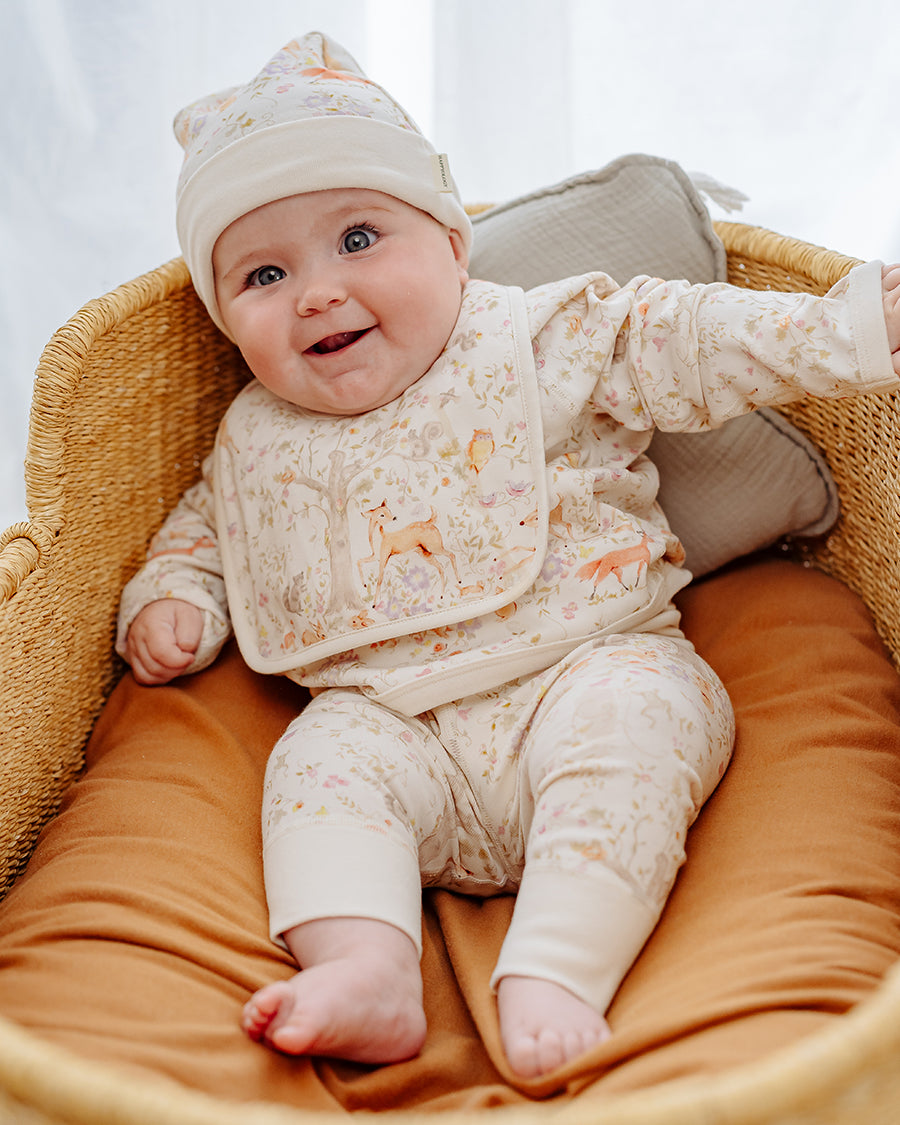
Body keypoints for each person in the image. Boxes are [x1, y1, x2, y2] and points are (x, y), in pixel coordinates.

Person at [118, 31, 900, 1080]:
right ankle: (367, 967)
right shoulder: (256, 436)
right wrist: (173, 597)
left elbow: (687, 340)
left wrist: (841, 329)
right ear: (227, 322)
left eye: (359, 237)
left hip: (585, 668)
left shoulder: (541, 340)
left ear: (453, 244)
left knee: (637, 725)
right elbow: (211, 529)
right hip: (390, 725)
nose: (316, 291)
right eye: (264, 274)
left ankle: (558, 968)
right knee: (314, 770)